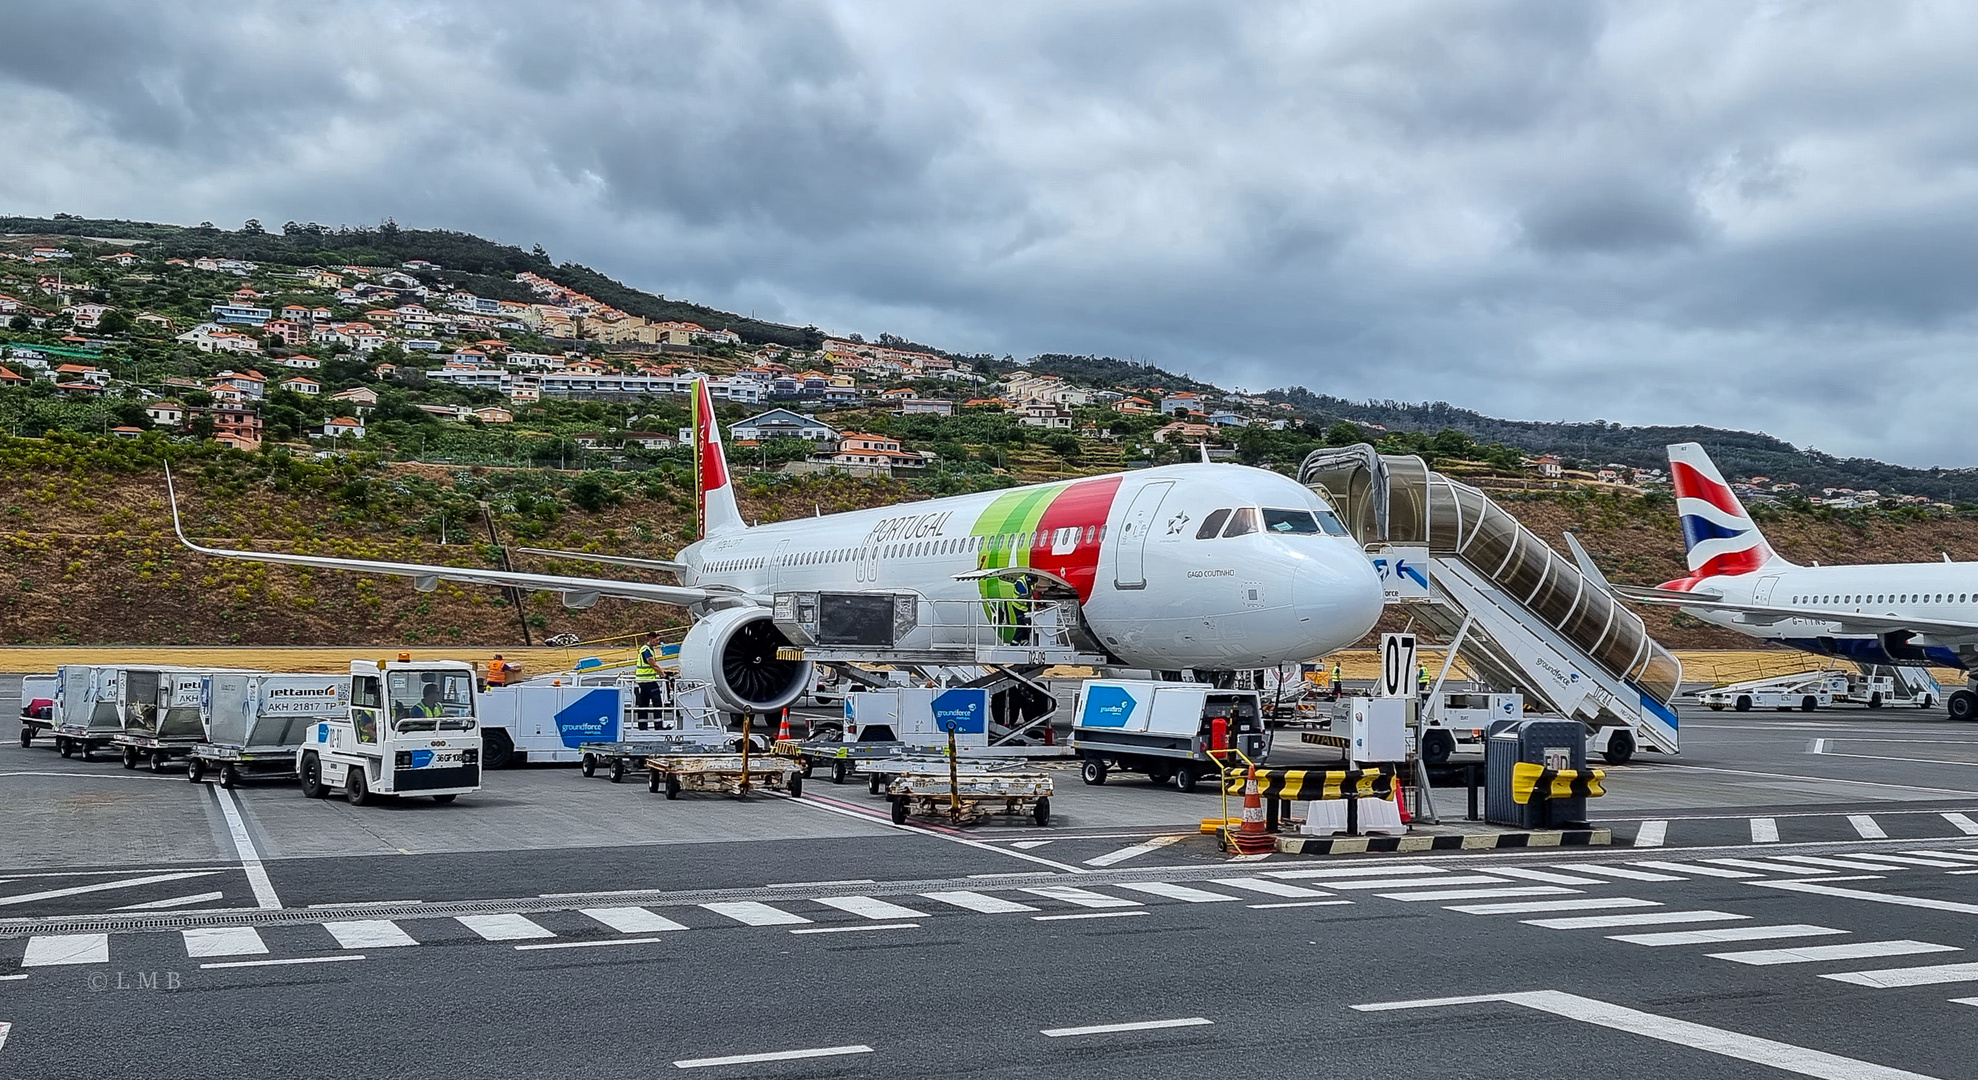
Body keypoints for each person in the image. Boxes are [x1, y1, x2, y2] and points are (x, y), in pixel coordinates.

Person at [635, 631, 663, 725]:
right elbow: (653, 664)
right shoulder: (646, 650)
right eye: (657, 639)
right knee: (657, 703)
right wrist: (663, 674)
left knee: (643, 703)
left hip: (643, 681)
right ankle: (658, 725)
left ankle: (642, 725)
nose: (658, 642)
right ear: (651, 639)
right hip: (648, 681)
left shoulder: (646, 649)